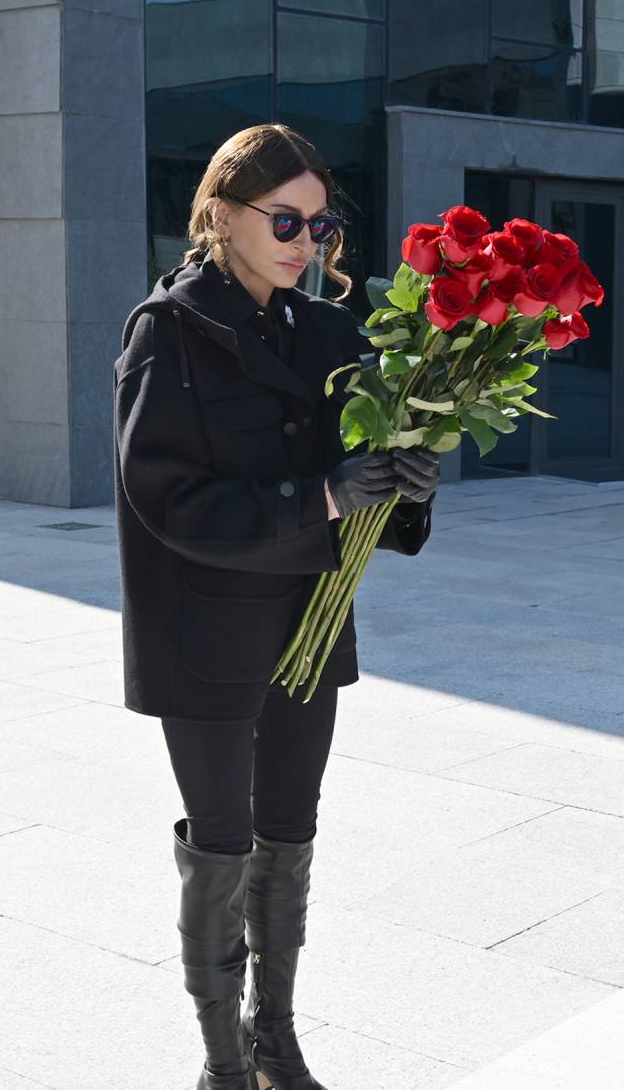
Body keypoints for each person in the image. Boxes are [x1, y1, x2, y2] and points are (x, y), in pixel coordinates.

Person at [114, 123, 442, 1089]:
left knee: (290, 835)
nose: (307, 243)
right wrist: (326, 496)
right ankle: (221, 1062)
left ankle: (275, 1039)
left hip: (309, 625)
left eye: (321, 225)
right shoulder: (168, 329)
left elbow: (365, 478)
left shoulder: (333, 330)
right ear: (222, 215)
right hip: (206, 631)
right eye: (286, 220)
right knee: (221, 842)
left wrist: (406, 483)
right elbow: (164, 497)